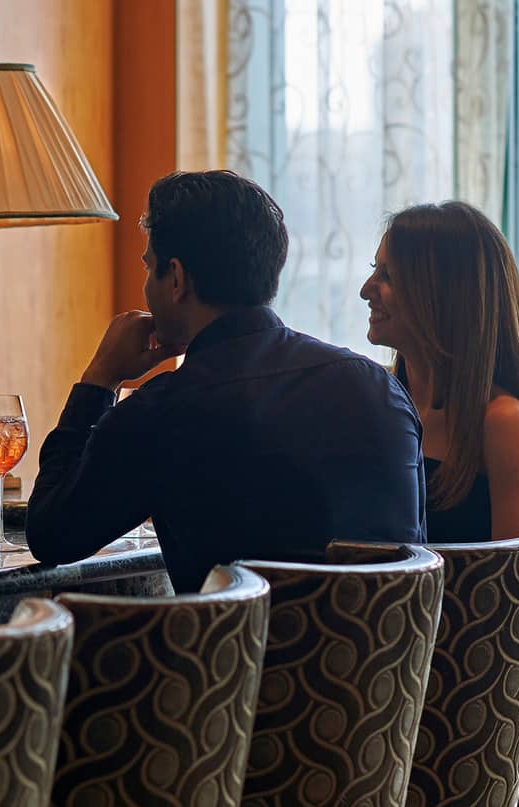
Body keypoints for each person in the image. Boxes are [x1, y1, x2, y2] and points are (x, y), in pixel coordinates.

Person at [27, 170, 426, 592]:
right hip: (384, 654)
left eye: (150, 268)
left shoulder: (161, 414)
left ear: (176, 278)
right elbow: (415, 551)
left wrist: (99, 379)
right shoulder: (379, 390)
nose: (146, 285)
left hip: (239, 658)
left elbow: (52, 534)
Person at [358, 200, 519, 542]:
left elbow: (517, 588)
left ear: (443, 296)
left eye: (387, 276)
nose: (366, 290)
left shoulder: (503, 421)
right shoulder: (380, 402)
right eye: (374, 270)